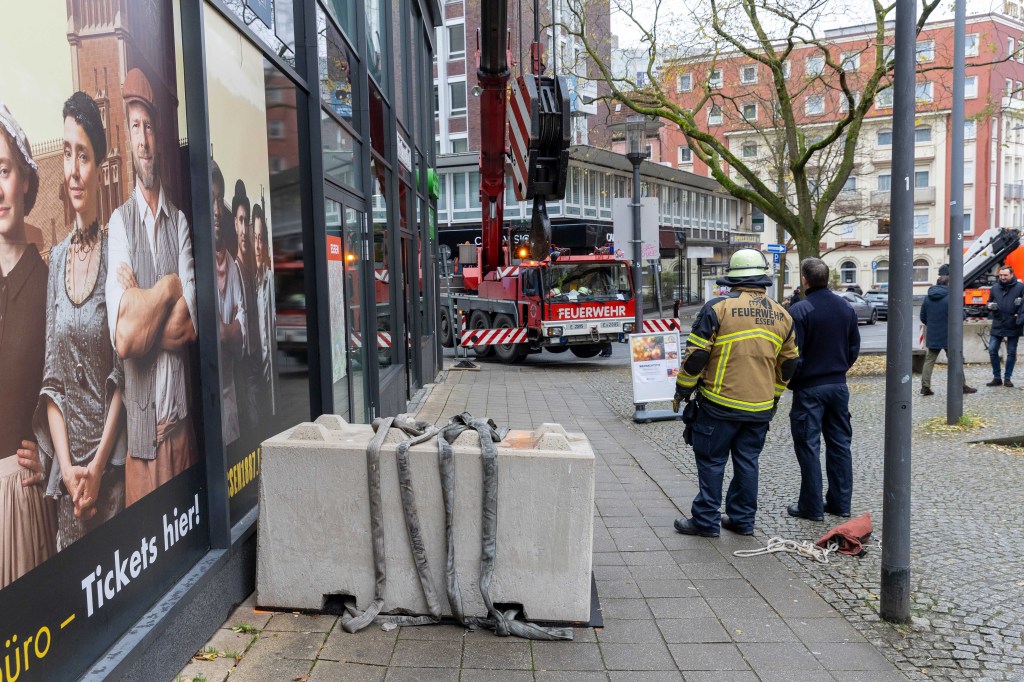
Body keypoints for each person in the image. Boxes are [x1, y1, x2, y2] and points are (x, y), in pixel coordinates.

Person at [34, 92, 127, 550]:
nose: (71, 169)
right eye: (67, 152)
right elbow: (51, 381)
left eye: (83, 155)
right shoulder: (55, 262)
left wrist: (97, 467)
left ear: (100, 165)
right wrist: (69, 472)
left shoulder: (117, 253)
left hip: (110, 480)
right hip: (68, 488)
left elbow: (123, 373)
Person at [105, 68, 198, 506]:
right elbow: (124, 339)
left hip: (182, 437)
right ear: (128, 137)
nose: (142, 141)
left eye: (149, 128)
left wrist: (141, 300)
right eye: (134, 128)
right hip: (142, 451)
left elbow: (187, 327)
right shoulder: (118, 226)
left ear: (159, 138)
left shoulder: (179, 222)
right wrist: (168, 287)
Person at [673, 248, 799, 537]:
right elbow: (790, 364)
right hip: (759, 408)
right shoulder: (783, 315)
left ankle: (705, 521)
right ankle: (742, 521)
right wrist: (775, 396)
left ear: (733, 279)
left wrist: (683, 389)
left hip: (718, 405)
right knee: (747, 462)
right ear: (762, 279)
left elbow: (696, 357)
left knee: (712, 461)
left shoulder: (718, 308)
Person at [0, 103, 57, 587]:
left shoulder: (46, 283)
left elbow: (73, 393)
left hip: (18, 500)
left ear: (23, 179)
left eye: (3, 170)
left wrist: (49, 458)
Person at [785, 258, 861, 522]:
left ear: (805, 280)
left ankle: (811, 506)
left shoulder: (800, 310)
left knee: (808, 446)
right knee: (840, 445)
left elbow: (793, 354)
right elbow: (853, 349)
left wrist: (795, 381)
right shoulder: (846, 308)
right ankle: (841, 504)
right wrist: (838, 370)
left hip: (809, 388)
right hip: (839, 386)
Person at [211, 161, 245, 445]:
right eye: (209, 199)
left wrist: (223, 331)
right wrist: (227, 329)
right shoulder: (194, 263)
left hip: (229, 394)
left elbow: (241, 331)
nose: (216, 210)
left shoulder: (231, 266)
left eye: (218, 199)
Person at [231, 179, 261, 430]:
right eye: (239, 221)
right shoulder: (234, 269)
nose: (243, 228)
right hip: (243, 363)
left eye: (245, 222)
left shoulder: (252, 269)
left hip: (257, 359)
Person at [919, 275, 978, 397]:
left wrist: (933, 326)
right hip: (950, 335)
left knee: (929, 361)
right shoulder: (952, 297)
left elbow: (923, 317)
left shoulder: (927, 298)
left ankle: (925, 387)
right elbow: (960, 316)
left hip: (933, 334)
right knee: (956, 360)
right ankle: (961, 385)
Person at [252, 202, 276, 417]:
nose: (258, 245)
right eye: (255, 239)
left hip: (271, 383)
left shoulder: (270, 280)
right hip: (257, 380)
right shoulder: (251, 282)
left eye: (261, 239)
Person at [985, 265, 1024, 387]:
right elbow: (989, 302)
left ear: (1011, 275)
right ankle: (997, 377)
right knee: (992, 350)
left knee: (1011, 353)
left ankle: (1007, 378)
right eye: (1001, 275)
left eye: (1005, 275)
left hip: (1013, 324)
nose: (1002, 277)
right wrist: (989, 306)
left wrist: (1020, 318)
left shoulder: (1020, 287)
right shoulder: (995, 288)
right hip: (998, 323)